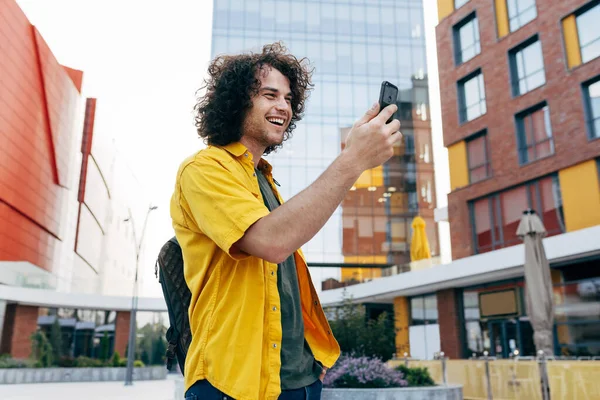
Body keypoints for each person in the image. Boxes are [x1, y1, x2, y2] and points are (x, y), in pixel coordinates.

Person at [170, 43, 402, 400]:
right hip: (232, 385)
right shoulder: (203, 169)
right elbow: (272, 242)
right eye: (269, 94)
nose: (284, 106)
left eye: (289, 98)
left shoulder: (265, 180)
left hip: (302, 382)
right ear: (236, 102)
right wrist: (353, 159)